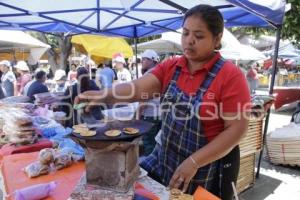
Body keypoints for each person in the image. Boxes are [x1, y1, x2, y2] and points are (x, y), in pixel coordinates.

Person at [75, 5, 250, 199]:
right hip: (163, 158)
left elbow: (236, 130)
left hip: (201, 168)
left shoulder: (230, 76)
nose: (189, 41)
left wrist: (193, 162)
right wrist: (104, 94)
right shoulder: (172, 67)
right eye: (185, 33)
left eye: (199, 36)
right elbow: (137, 88)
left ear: (216, 39)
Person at [136, 49, 162, 156]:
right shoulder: (160, 73)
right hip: (159, 115)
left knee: (149, 144)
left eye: (145, 59)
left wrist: (137, 117)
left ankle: (150, 170)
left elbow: (143, 100)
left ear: (152, 61)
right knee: (157, 143)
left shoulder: (148, 76)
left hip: (149, 116)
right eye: (142, 59)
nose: (142, 61)